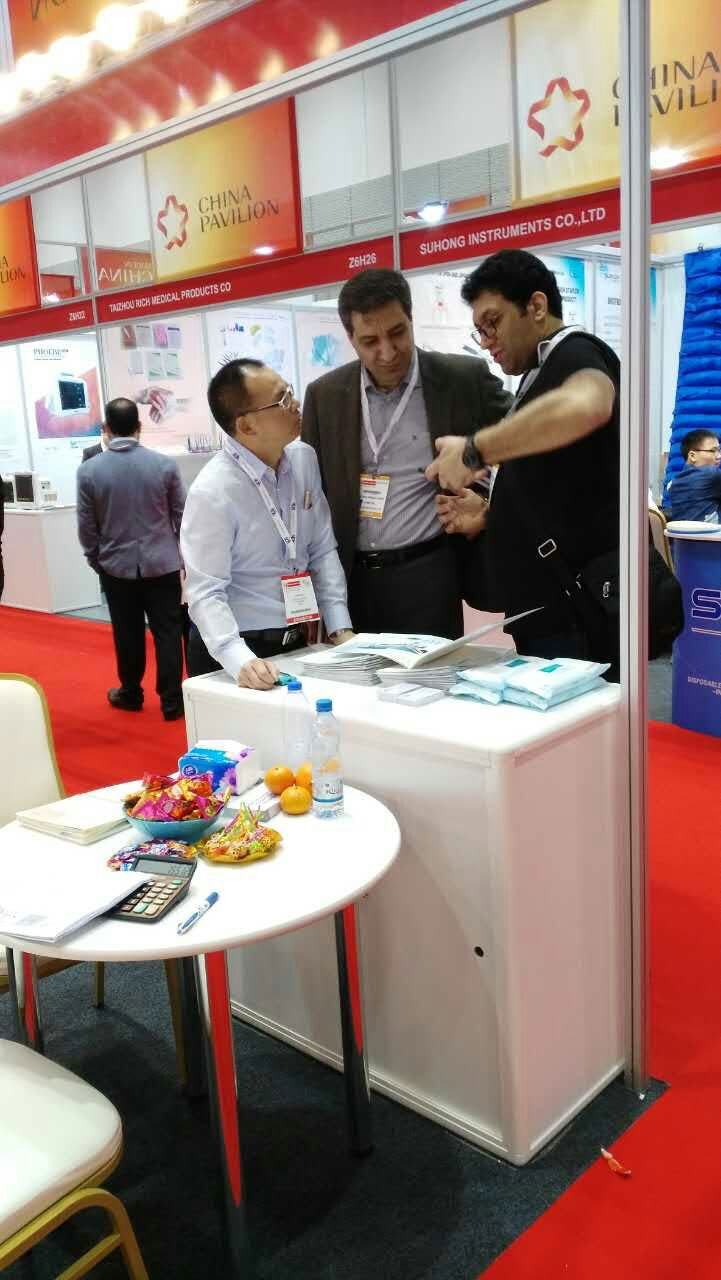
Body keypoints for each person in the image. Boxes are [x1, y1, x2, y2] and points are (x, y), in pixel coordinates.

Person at [428, 249, 620, 670]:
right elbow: (559, 490)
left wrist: (474, 450)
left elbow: (588, 405)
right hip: (550, 608)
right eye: (480, 330)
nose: (486, 341)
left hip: (577, 611)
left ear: (536, 306)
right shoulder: (538, 370)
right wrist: (490, 514)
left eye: (493, 322)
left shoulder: (576, 353)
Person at [301, 267, 511, 638]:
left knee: (434, 674)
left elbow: (528, 439)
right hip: (352, 580)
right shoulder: (325, 396)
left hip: (428, 574)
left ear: (411, 319)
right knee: (359, 676)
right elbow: (310, 496)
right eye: (370, 341)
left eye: (397, 332)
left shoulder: (462, 379)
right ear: (351, 338)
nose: (387, 352)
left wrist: (488, 503)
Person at [180, 358, 353, 691]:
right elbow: (205, 591)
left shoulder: (303, 458)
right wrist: (238, 658)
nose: (296, 404)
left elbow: (322, 547)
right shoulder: (213, 491)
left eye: (290, 391)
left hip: (296, 638)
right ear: (246, 426)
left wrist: (339, 626)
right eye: (282, 400)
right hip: (235, 650)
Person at [76, 397, 185, 720]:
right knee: (168, 631)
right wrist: (180, 555)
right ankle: (172, 701)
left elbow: (86, 525)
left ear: (106, 429)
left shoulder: (89, 471)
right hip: (162, 564)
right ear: (139, 427)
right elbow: (182, 515)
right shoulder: (165, 465)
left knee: (127, 632)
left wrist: (95, 558)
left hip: (116, 567)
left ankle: (131, 693)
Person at [667, 430, 721, 521]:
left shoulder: (673, 483)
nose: (719, 456)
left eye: (719, 451)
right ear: (692, 456)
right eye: (713, 451)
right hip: (709, 530)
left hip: (681, 530)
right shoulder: (712, 474)